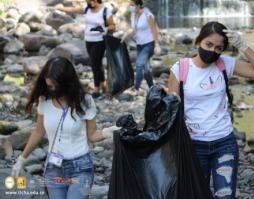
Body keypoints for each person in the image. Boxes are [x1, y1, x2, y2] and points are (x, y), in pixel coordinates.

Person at [168, 21, 254, 198]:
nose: (212, 51)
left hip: (224, 143)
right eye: (208, 44)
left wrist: (243, 46)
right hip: (193, 145)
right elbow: (171, 111)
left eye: (218, 48)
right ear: (198, 41)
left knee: (225, 195)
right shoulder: (180, 69)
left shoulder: (225, 64)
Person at [11, 57, 119, 199]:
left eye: (55, 86)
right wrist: (22, 159)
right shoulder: (45, 101)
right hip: (53, 169)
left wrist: (106, 132)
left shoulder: (84, 101)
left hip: (80, 169)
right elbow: (38, 131)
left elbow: (92, 135)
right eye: (49, 86)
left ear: (67, 82)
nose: (52, 90)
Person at [56, 0, 116, 98]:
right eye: (87, 1)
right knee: (97, 63)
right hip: (88, 40)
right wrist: (59, 8)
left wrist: (105, 29)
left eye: (91, 1)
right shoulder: (87, 8)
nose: (89, 3)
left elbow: (113, 26)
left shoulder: (105, 11)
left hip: (99, 40)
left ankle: (97, 88)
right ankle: (104, 83)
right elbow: (72, 9)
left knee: (94, 64)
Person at [121, 0, 161, 95]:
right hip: (139, 44)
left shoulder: (148, 15)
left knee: (139, 64)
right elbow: (135, 29)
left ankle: (136, 88)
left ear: (139, 5)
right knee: (146, 69)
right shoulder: (132, 15)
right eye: (130, 5)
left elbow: (154, 30)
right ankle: (152, 88)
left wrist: (157, 44)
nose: (130, 7)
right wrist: (128, 34)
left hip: (149, 44)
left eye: (132, 5)